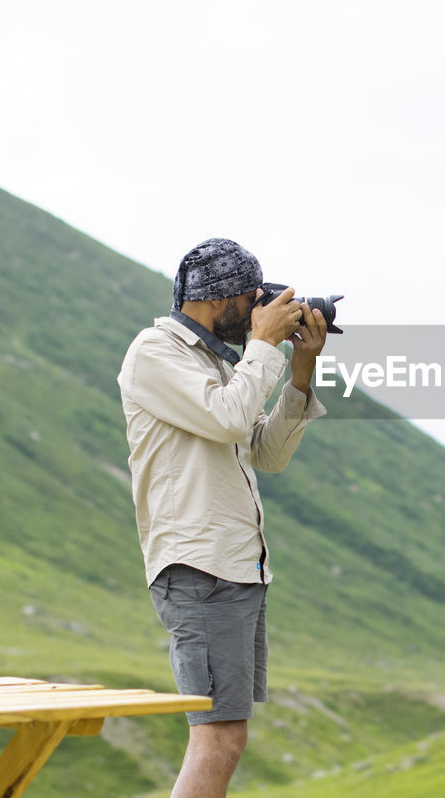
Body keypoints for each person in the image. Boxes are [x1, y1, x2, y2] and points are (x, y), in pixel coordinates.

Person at [117, 238, 327, 797]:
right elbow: (231, 418)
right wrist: (262, 346)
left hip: (236, 568)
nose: (259, 309)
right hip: (199, 568)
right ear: (218, 299)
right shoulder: (155, 352)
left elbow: (266, 452)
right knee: (218, 737)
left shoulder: (218, 362)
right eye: (251, 298)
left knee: (226, 736)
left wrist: (299, 373)